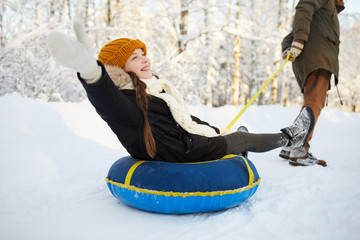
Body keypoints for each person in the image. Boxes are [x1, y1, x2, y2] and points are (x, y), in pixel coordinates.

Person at [46, 21, 314, 163]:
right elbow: (107, 101)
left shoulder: (157, 89)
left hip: (182, 142)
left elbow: (186, 120)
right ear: (120, 69)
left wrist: (214, 130)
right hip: (175, 152)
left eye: (144, 54)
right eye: (135, 58)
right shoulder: (124, 99)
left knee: (232, 136)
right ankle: (291, 138)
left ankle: (236, 141)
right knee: (241, 141)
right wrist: (91, 73)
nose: (145, 60)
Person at [280, 0, 345, 166]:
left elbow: (294, 30)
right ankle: (299, 151)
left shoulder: (328, 10)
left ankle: (290, 147)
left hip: (316, 58)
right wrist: (299, 40)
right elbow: (304, 6)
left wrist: (289, 45)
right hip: (318, 58)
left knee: (311, 103)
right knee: (314, 104)